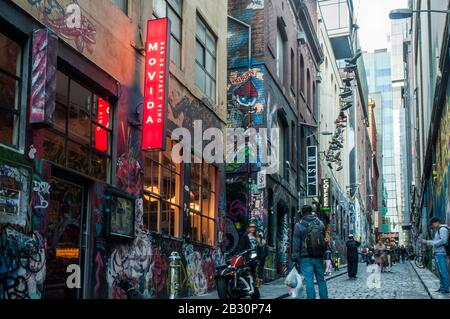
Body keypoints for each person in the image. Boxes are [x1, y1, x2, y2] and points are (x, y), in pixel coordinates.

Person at [292, 205, 328, 299]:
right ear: (311, 211)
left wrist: (295, 258)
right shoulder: (320, 223)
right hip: (319, 257)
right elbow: (323, 240)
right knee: (321, 280)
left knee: (309, 281)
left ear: (302, 213)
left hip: (305, 258)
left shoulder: (298, 225)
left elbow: (296, 243)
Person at [422, 217, 449, 294]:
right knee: (440, 272)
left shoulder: (442, 229)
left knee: (443, 272)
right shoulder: (439, 230)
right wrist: (429, 242)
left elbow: (444, 241)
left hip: (441, 253)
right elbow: (437, 241)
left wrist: (429, 242)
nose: (432, 226)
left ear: (436, 222)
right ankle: (442, 287)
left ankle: (446, 288)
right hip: (438, 253)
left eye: (432, 224)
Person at [240, 222, 265, 287]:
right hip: (248, 256)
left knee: (254, 272)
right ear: (248, 228)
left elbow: (260, 247)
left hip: (256, 256)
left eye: (254, 227)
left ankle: (255, 285)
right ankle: (248, 285)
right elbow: (242, 247)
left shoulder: (257, 236)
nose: (252, 228)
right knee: (248, 271)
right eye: (251, 227)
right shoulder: (245, 236)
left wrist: (260, 257)